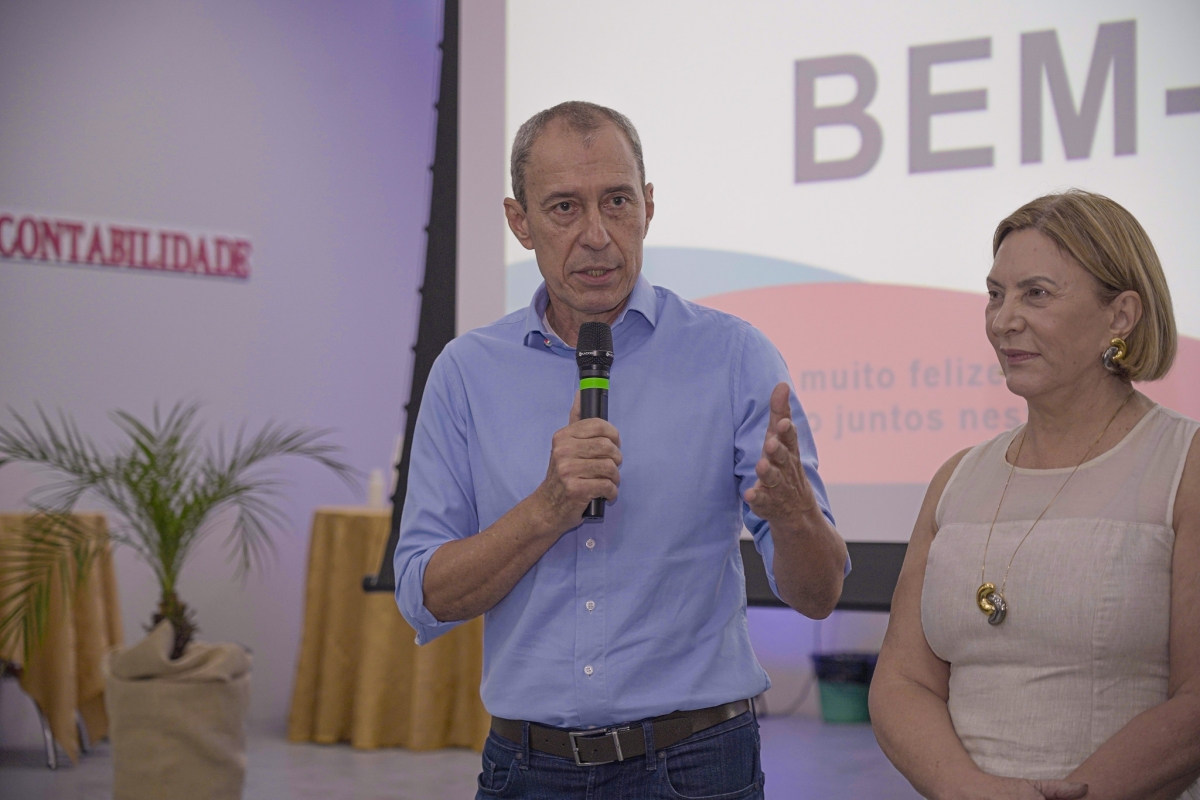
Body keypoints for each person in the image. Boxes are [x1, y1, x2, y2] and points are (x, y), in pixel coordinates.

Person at [393, 101, 848, 799]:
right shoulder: (466, 372)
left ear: (649, 205)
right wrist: (547, 509)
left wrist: (795, 517)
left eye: (617, 201)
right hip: (525, 769)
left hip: (697, 764)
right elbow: (425, 597)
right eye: (564, 208)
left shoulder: (734, 356)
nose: (597, 235)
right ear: (520, 222)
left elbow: (819, 596)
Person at [870, 190, 1200, 799]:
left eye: (1036, 294)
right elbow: (901, 681)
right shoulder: (957, 479)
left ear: (1121, 316)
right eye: (995, 294)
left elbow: (1194, 705)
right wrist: (968, 790)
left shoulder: (1183, 465)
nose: (1003, 321)